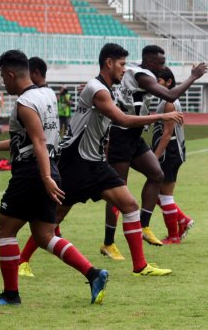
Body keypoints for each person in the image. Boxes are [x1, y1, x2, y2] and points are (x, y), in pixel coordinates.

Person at [17, 43, 181, 277]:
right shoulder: (98, 90)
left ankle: (140, 266)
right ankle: (22, 261)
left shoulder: (108, 89)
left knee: (129, 205)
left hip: (95, 163)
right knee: (54, 217)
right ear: (109, 63)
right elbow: (122, 120)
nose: (125, 70)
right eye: (122, 64)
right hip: (75, 162)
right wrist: (163, 115)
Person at [0, 50, 108, 305]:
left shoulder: (24, 103)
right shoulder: (46, 95)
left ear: (11, 74)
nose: (3, 82)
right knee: (45, 235)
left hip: (32, 173)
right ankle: (94, 273)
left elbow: (38, 141)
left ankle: (11, 295)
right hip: (49, 167)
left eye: (3, 76)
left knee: (5, 230)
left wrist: (44, 177)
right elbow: (29, 138)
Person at [101, 46, 207, 258]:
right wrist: (193, 77)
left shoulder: (133, 73)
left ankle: (144, 226)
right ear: (149, 63)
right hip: (121, 136)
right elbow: (170, 94)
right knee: (117, 191)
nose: (163, 66)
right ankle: (108, 243)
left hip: (135, 136)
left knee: (157, 174)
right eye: (161, 63)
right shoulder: (143, 75)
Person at [151, 67, 194, 244]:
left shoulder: (169, 102)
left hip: (169, 152)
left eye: (158, 80)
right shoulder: (166, 100)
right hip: (171, 152)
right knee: (155, 194)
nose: (155, 84)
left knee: (163, 195)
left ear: (168, 82)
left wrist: (155, 156)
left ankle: (174, 235)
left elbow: (168, 133)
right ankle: (182, 220)